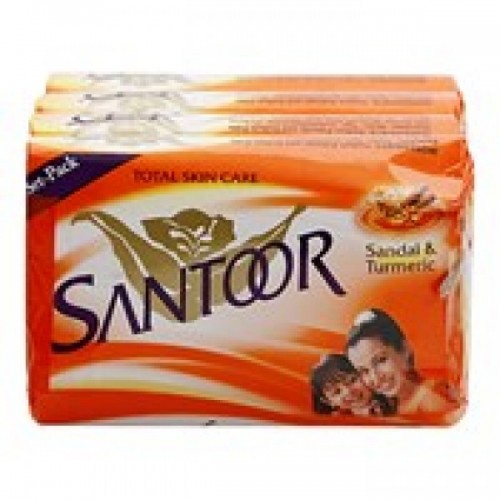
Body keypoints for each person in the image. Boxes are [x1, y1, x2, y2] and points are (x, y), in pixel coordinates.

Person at [345, 308, 449, 414]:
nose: (376, 378)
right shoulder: (389, 403)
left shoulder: (432, 401)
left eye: (381, 360)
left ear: (404, 349)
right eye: (364, 371)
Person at [310, 353, 395, 416]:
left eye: (352, 380)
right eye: (337, 392)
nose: (349, 391)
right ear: (329, 402)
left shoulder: (391, 399)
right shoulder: (339, 420)